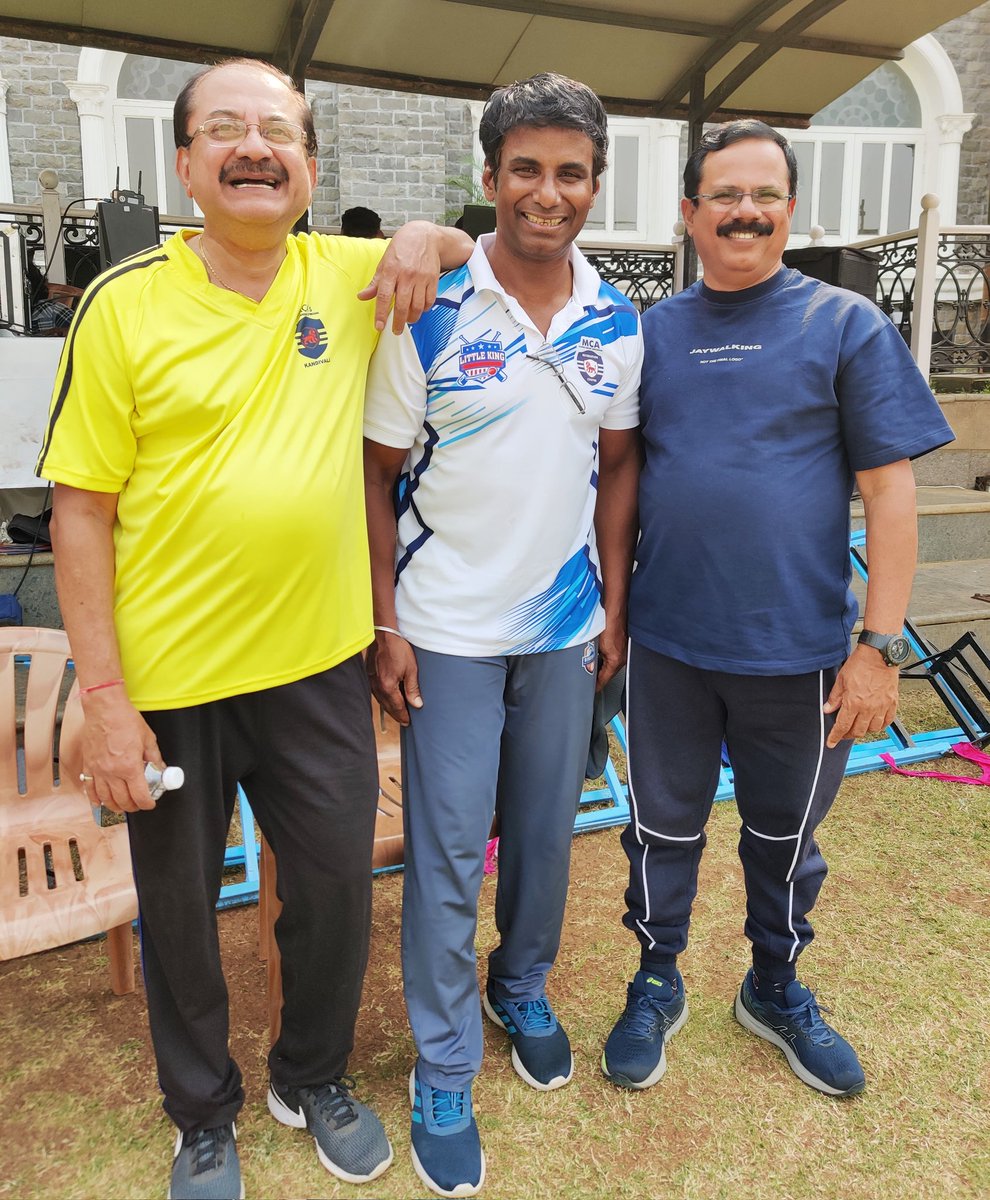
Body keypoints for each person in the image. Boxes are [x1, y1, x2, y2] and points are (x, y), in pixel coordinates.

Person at [35, 57, 472, 1200]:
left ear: (311, 167)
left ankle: (313, 1077)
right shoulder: (123, 303)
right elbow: (80, 512)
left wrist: (428, 233)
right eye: (224, 129)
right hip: (169, 680)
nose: (253, 147)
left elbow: (465, 249)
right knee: (180, 914)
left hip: (317, 667)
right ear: (184, 162)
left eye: (278, 130)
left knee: (331, 891)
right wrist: (104, 698)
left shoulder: (345, 275)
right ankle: (203, 1114)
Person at [601, 119, 954, 1101]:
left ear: (789, 211)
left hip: (801, 655)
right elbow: (623, 479)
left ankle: (774, 985)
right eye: (725, 195)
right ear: (690, 212)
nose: (745, 212)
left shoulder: (842, 325)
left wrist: (878, 649)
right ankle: (656, 976)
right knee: (661, 829)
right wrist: (616, 613)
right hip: (670, 646)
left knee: (784, 840)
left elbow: (891, 497)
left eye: (764, 196)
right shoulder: (654, 333)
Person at [363, 72, 642, 1197]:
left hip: (566, 626)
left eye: (569, 172)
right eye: (524, 169)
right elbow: (375, 479)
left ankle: (517, 985)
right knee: (443, 854)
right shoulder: (424, 303)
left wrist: (614, 600)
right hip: (443, 635)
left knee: (540, 834)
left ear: (593, 185)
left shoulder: (617, 319)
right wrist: (383, 622)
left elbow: (617, 466)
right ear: (490, 181)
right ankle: (442, 1066)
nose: (546, 191)